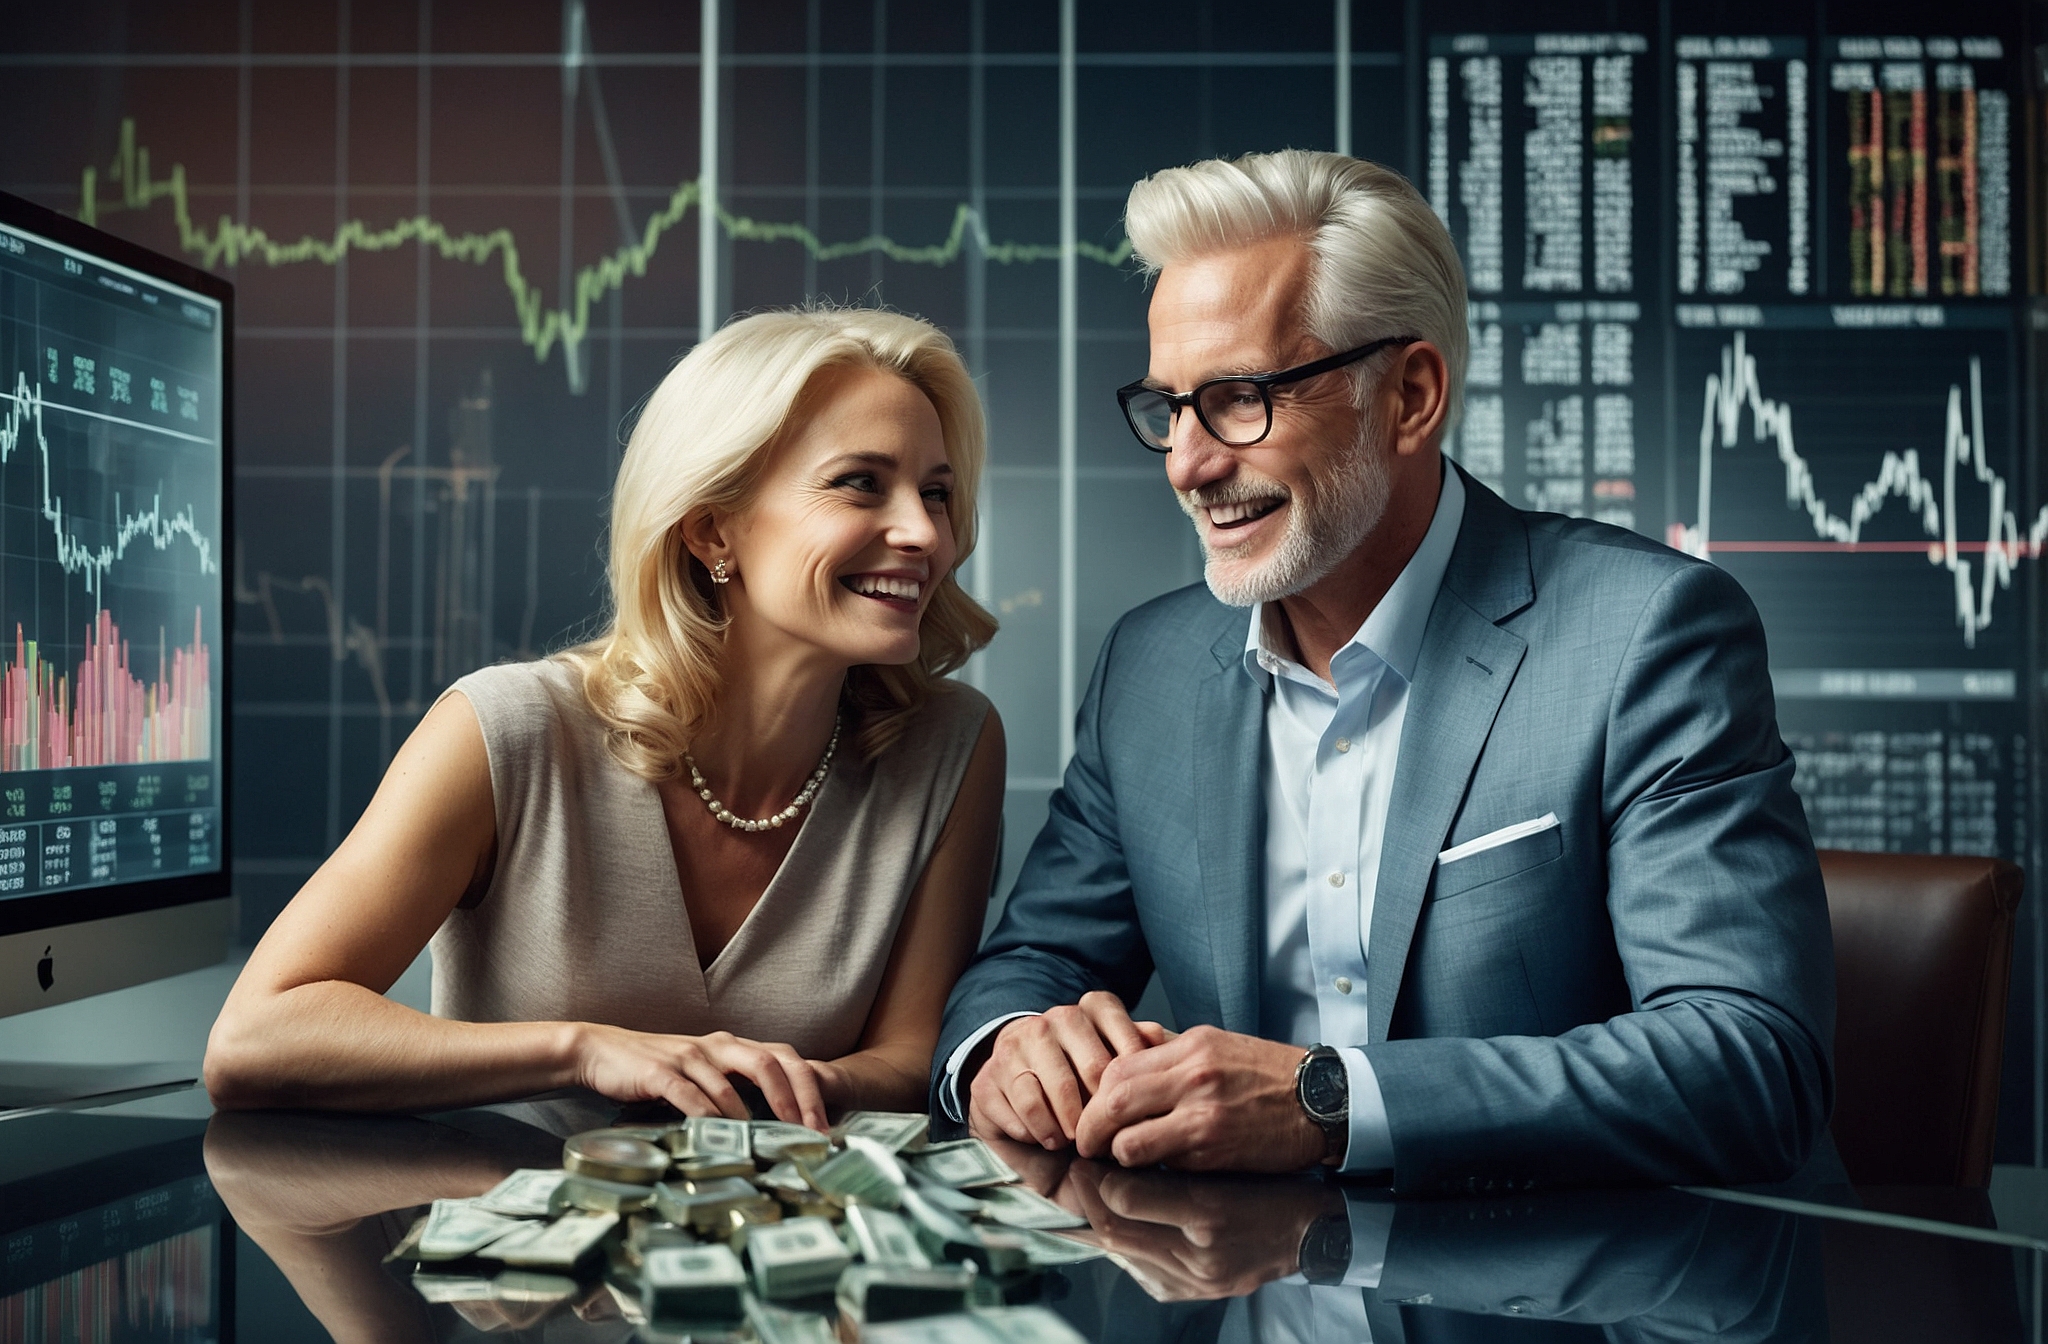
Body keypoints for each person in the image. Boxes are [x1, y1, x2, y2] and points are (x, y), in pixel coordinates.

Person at [933, 150, 1835, 1193]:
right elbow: (1029, 966)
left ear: (1408, 396)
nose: (1187, 463)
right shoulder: (1151, 666)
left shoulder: (1647, 634)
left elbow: (1749, 1062)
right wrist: (1009, 1048)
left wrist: (1330, 1103)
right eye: (1169, 407)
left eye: (1237, 399)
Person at [207, 306, 1006, 1129]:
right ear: (710, 530)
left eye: (937, 494)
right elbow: (254, 1038)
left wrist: (766, 1096)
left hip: (794, 1249)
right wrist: (585, 1050)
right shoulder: (506, 731)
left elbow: (912, 1062)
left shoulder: (951, 746)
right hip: (514, 1247)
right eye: (860, 483)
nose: (925, 533)